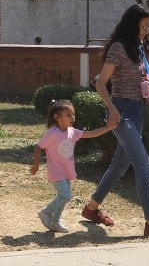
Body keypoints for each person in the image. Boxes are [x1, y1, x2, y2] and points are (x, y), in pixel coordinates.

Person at [80, 4, 149, 240]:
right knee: (145, 166)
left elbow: (142, 78)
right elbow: (100, 83)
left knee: (119, 166)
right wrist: (112, 110)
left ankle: (91, 209)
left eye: (148, 26)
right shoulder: (118, 47)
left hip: (137, 110)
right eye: (143, 26)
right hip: (121, 112)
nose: (146, 30)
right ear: (132, 24)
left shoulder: (138, 47)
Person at [30, 99, 114, 234]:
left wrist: (109, 127)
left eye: (73, 114)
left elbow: (92, 133)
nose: (73, 117)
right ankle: (46, 212)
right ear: (57, 117)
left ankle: (55, 221)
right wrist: (36, 164)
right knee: (66, 196)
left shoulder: (72, 132)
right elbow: (39, 147)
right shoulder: (52, 133)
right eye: (68, 115)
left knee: (63, 197)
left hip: (67, 171)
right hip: (56, 172)